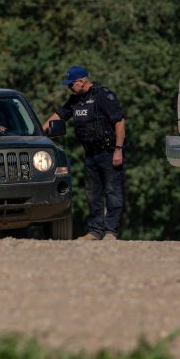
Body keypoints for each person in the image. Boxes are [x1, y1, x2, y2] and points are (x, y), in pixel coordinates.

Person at [43, 66, 126, 241]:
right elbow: (59, 116)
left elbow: (119, 122)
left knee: (113, 193)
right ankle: (95, 231)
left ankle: (111, 232)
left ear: (82, 81)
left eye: (71, 84)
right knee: (92, 194)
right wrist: (38, 131)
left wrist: (119, 149)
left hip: (109, 152)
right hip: (90, 154)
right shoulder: (75, 100)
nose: (69, 88)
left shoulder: (102, 95)